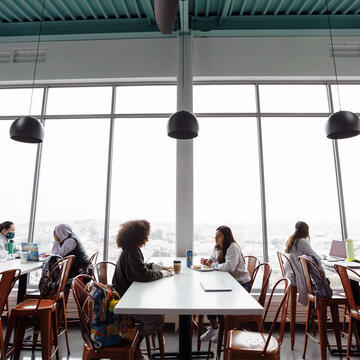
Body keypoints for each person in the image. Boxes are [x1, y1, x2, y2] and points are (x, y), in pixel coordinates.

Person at [112, 219, 172, 350]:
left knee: (157, 311)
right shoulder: (133, 251)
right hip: (125, 301)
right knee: (158, 318)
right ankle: (133, 342)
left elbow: (138, 267)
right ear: (140, 235)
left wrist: (156, 267)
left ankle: (133, 336)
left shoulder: (130, 249)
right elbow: (143, 275)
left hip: (125, 295)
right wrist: (164, 274)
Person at [199, 225, 251, 343]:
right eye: (215, 235)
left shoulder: (233, 247)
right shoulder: (218, 247)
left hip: (240, 285)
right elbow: (212, 257)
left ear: (225, 237)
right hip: (227, 282)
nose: (215, 238)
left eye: (219, 236)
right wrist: (209, 260)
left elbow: (230, 267)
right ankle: (215, 327)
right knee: (209, 296)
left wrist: (212, 265)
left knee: (217, 298)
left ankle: (222, 330)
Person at [285, 221, 323, 306]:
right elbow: (316, 257)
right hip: (296, 275)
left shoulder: (292, 240)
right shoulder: (302, 241)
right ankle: (317, 309)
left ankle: (314, 308)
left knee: (317, 280)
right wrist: (323, 257)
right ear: (306, 231)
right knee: (322, 281)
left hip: (290, 274)